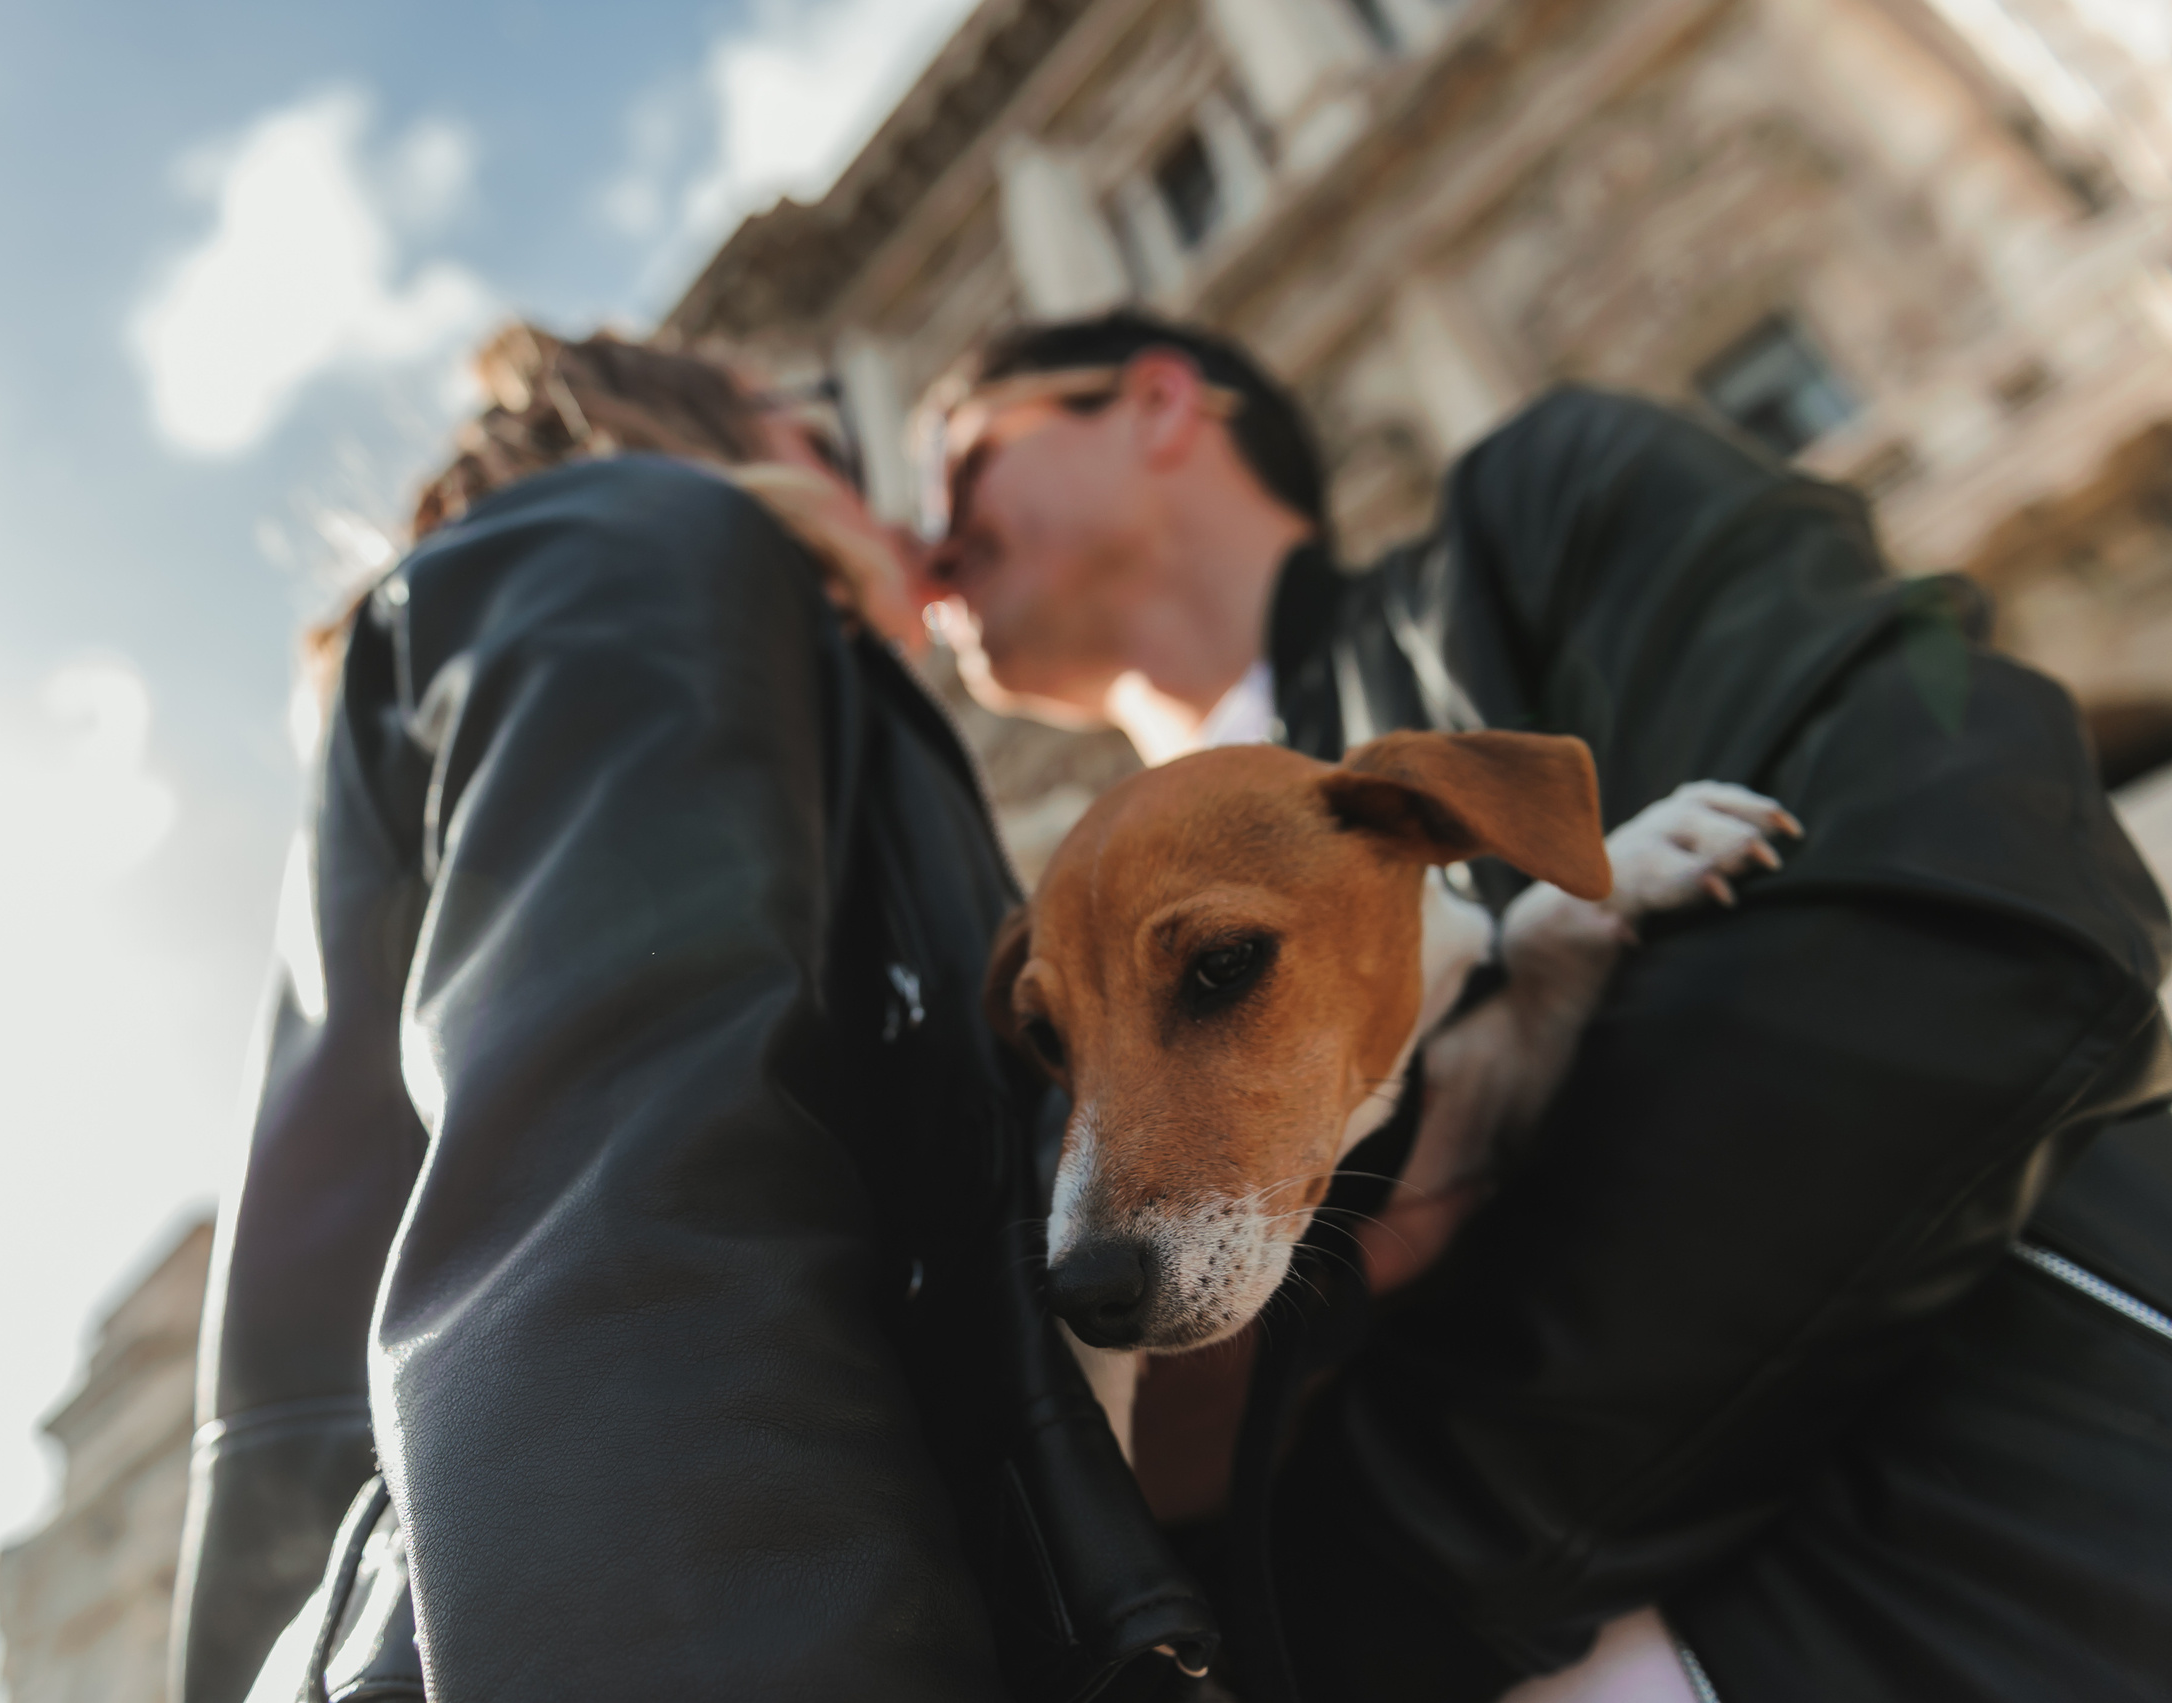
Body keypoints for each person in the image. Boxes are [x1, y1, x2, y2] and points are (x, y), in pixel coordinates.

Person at [918, 308, 2172, 1702]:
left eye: (963, 467)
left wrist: (1365, 1600)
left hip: (2008, 1579)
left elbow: (1981, 936)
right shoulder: (1064, 921)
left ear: (1161, 404)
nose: (927, 551)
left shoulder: (1540, 512)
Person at [169, 324, 1219, 1703]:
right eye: (830, 437)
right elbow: (623, 1208)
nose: (909, 517)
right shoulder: (646, 543)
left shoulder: (627, 610)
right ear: (720, 440)